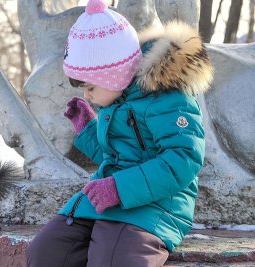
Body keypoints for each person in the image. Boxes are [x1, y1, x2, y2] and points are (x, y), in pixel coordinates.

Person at [26, 0, 213, 266]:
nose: (86, 94)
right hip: (109, 196)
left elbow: (183, 159)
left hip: (157, 205)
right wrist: (88, 129)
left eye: (90, 86)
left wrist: (118, 188)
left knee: (114, 259)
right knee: (47, 252)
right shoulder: (116, 96)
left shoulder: (168, 97)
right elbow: (116, 154)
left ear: (115, 73)